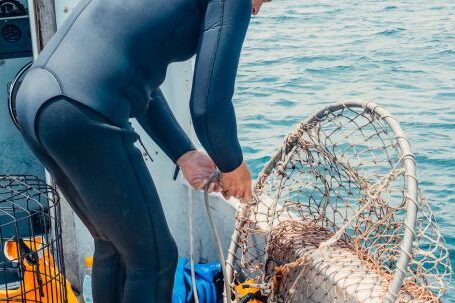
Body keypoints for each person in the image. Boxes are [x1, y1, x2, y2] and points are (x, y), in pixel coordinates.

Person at [15, 0, 270, 302]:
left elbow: (135, 78)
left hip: (36, 100)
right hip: (81, 110)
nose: (258, 10)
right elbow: (209, 107)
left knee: (113, 246)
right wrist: (233, 165)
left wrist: (184, 154)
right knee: (155, 262)